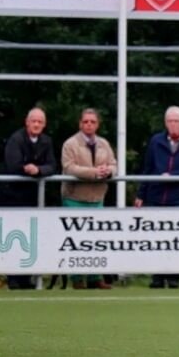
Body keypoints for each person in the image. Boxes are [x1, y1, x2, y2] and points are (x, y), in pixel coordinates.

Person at [134, 106, 179, 289]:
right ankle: (157, 277)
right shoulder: (156, 141)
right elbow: (147, 168)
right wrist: (141, 193)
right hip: (155, 196)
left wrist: (174, 175)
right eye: (170, 121)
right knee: (156, 239)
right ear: (165, 122)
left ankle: (174, 277)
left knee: (176, 239)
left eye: (176, 121)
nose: (173, 124)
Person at [0, 107, 57, 290]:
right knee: (13, 239)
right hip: (11, 197)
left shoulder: (46, 141)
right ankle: (14, 278)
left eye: (40, 122)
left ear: (44, 124)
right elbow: (13, 165)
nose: (37, 125)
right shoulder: (16, 139)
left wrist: (38, 170)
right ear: (27, 122)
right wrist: (28, 169)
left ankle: (26, 278)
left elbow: (52, 166)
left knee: (30, 239)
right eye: (34, 121)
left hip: (32, 198)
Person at [60, 108, 117, 290]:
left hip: (97, 198)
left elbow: (114, 164)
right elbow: (69, 168)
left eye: (92, 122)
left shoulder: (104, 144)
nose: (89, 124)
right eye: (86, 121)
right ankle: (77, 278)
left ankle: (95, 277)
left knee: (96, 239)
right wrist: (94, 173)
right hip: (74, 198)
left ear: (97, 124)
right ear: (80, 123)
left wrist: (109, 171)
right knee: (76, 240)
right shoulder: (70, 144)